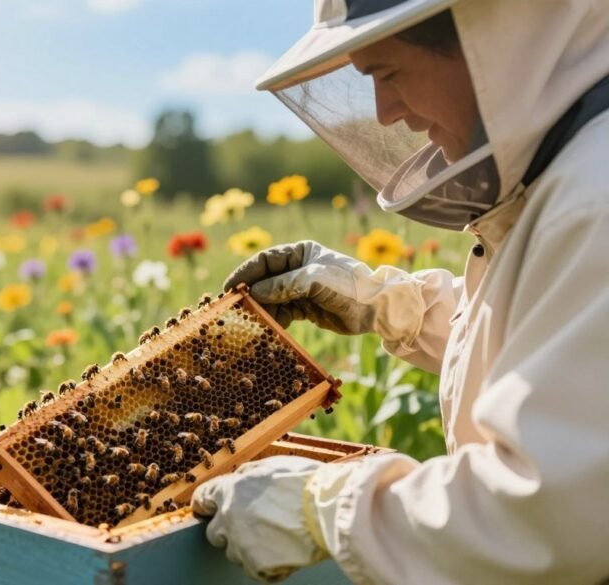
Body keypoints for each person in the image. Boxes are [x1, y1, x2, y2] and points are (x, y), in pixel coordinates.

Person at [190, 1, 609, 583]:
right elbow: (565, 367)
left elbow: (550, 515)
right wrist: (394, 306)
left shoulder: (597, 197)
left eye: (387, 74)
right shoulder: (578, 173)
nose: (385, 114)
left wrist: (322, 508)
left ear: (492, 43)